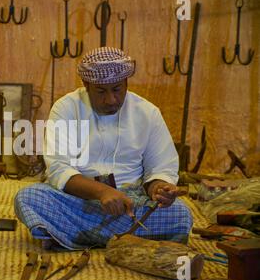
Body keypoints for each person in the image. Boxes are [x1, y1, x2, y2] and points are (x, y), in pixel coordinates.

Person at [14, 47, 192, 250]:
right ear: (86, 85)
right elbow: (58, 169)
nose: (111, 100)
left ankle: (73, 236)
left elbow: (160, 168)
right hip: (80, 201)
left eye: (117, 89)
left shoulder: (147, 113)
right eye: (101, 91)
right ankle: (129, 240)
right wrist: (102, 193)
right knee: (28, 197)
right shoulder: (66, 108)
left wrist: (160, 189)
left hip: (132, 205)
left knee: (180, 213)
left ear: (126, 83)